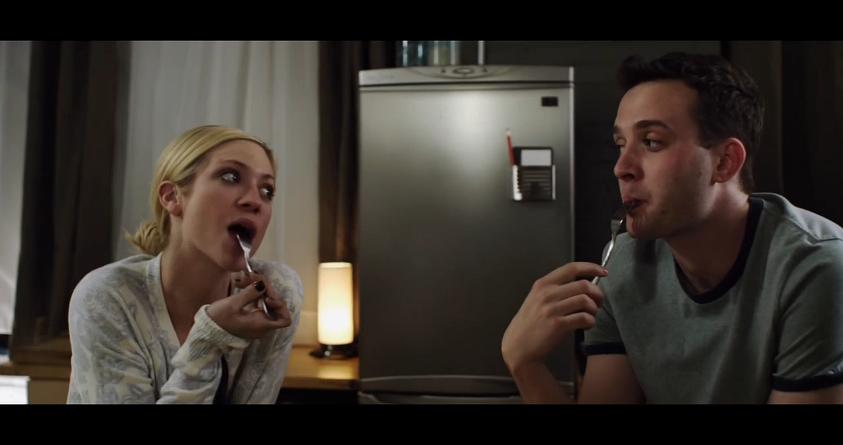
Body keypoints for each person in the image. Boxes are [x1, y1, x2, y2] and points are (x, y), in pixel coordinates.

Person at [502, 52, 843, 403]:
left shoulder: (814, 267)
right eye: (620, 145)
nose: (621, 168)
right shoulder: (621, 264)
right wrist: (526, 364)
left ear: (724, 162)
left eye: (652, 142)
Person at [67, 125, 302, 403]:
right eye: (230, 176)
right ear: (172, 197)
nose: (255, 201)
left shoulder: (279, 290)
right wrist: (208, 341)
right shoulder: (107, 297)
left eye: (267, 190)